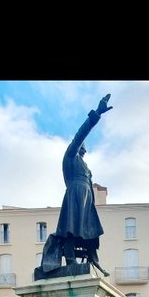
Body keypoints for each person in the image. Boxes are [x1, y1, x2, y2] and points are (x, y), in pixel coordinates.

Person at [41, 95, 112, 276]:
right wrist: (96, 114)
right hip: (75, 196)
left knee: (88, 232)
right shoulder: (70, 157)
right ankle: (71, 258)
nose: (85, 148)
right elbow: (80, 134)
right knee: (71, 228)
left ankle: (93, 261)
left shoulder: (86, 166)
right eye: (83, 145)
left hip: (86, 200)